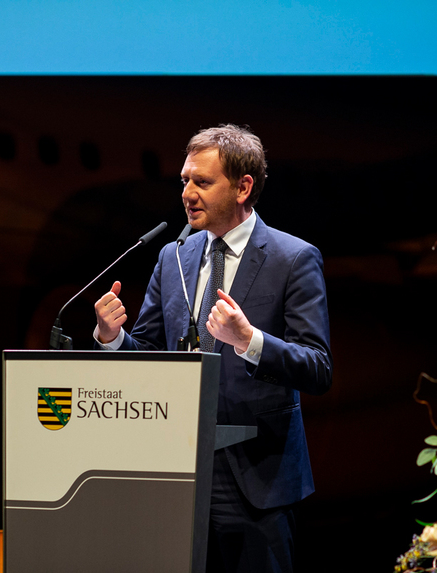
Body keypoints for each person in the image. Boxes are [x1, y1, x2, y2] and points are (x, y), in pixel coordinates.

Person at [93, 124, 332, 573]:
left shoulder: (293, 258)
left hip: (256, 478)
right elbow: (151, 353)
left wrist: (250, 341)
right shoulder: (173, 257)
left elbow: (317, 368)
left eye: (202, 182)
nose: (187, 193)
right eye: (185, 180)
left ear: (243, 187)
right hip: (177, 472)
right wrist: (113, 338)